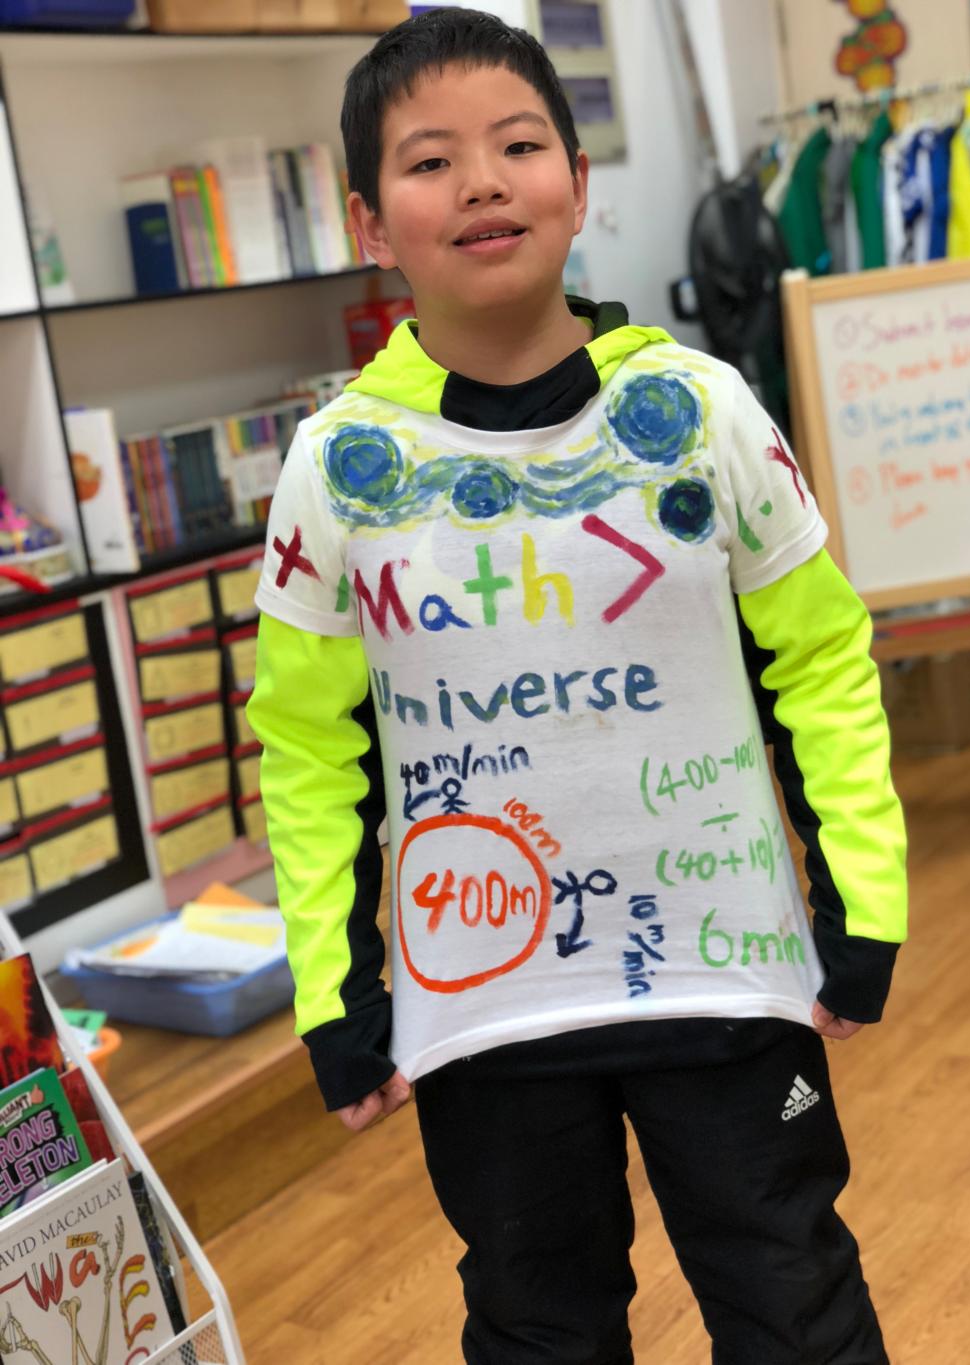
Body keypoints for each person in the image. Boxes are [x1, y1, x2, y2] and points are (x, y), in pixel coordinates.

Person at [247, 10, 907, 1364]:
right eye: (431, 161)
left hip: (725, 977)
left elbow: (821, 657)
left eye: (518, 145)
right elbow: (310, 747)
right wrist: (333, 989)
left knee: (795, 1305)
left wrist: (865, 897)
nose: (482, 183)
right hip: (484, 1006)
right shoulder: (335, 468)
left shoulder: (705, 410)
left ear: (578, 180)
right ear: (371, 223)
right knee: (539, 1329)